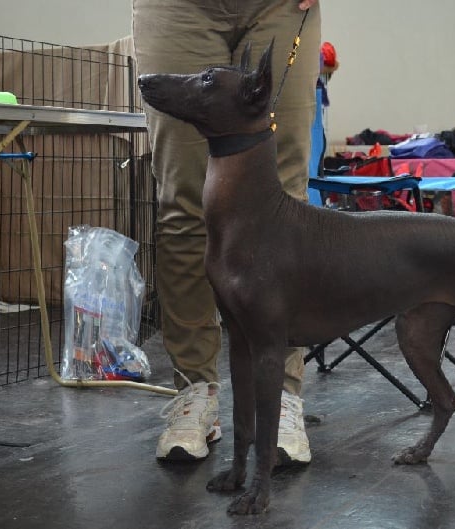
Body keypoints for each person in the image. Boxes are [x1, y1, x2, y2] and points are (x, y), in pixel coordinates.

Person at [132, 0, 321, 461]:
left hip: (279, 6)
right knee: (183, 205)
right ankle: (195, 390)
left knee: (285, 206)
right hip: (178, 8)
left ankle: (281, 395)